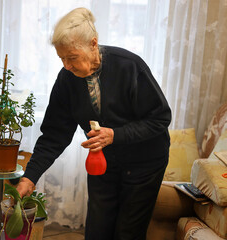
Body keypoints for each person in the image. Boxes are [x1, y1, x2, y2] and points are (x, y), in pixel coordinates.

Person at [16, 7, 171, 240]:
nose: (66, 65)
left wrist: (115, 135)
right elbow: (54, 134)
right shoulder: (67, 79)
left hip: (145, 162)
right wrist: (30, 177)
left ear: (93, 44)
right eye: (61, 58)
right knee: (98, 229)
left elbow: (160, 118)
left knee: (128, 231)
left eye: (72, 57)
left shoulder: (129, 66)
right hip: (102, 161)